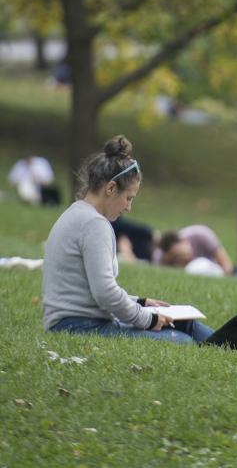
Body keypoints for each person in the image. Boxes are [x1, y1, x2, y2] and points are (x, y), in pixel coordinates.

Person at [41, 135, 213, 344]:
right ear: (111, 188)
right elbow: (104, 293)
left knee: (185, 323)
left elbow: (90, 290)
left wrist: (140, 303)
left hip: (77, 322)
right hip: (77, 327)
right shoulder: (95, 224)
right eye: (129, 198)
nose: (128, 207)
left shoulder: (76, 214)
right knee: (183, 341)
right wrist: (147, 318)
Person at [156, 224, 237, 282]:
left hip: (223, 270)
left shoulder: (201, 234)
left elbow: (227, 265)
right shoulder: (161, 256)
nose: (183, 260)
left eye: (180, 255)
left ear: (184, 241)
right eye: (176, 259)